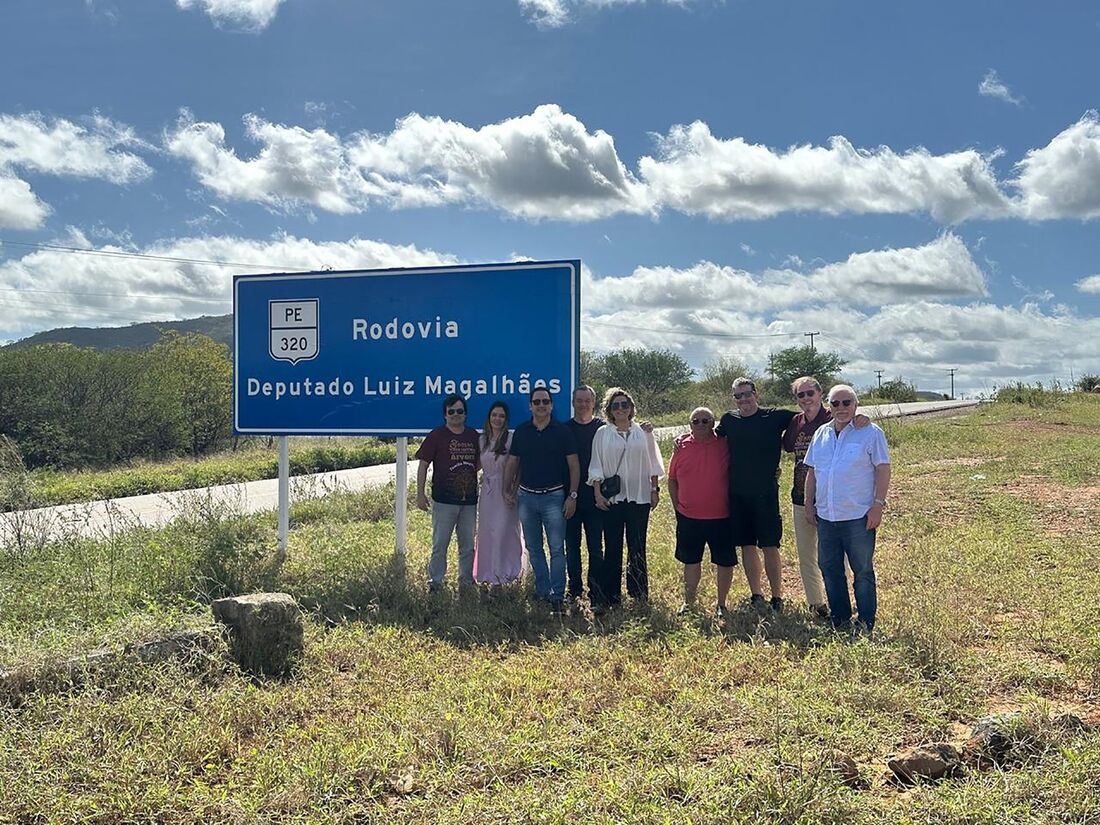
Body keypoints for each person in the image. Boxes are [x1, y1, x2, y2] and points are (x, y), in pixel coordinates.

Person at [804, 385, 891, 635]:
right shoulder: (821, 434)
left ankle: (865, 622)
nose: (841, 408)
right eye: (836, 403)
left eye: (846, 402)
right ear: (828, 406)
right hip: (827, 517)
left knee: (862, 571)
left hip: (858, 517)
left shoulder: (870, 433)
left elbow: (883, 469)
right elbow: (812, 472)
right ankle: (840, 619)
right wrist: (809, 505)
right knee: (830, 569)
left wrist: (878, 505)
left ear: (856, 404)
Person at [715, 378, 797, 613]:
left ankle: (777, 597)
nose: (743, 400)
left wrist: (853, 417)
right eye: (738, 396)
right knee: (747, 546)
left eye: (747, 394)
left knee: (770, 545)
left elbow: (809, 418)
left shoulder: (775, 416)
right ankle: (756, 594)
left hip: (766, 494)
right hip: (738, 494)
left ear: (756, 394)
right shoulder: (729, 420)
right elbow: (710, 439)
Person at [503, 387, 580, 615]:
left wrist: (572, 495)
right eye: (537, 402)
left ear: (551, 405)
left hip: (554, 497)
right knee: (534, 548)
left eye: (545, 401)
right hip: (526, 497)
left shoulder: (562, 431)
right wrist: (507, 490)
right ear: (530, 406)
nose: (541, 405)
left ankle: (557, 595)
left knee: (557, 549)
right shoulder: (522, 431)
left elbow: (574, 465)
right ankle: (542, 590)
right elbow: (512, 463)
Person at [588, 388, 664, 607]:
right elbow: (596, 464)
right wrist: (597, 494)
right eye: (615, 405)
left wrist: (654, 490)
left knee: (637, 546)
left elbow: (653, 463)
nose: (620, 409)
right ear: (609, 410)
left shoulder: (644, 432)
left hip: (639, 498)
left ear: (631, 408)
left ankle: (639, 593)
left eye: (624, 405)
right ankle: (612, 596)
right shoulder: (603, 433)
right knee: (612, 547)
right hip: (613, 499)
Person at [667, 407, 736, 617]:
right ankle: (689, 603)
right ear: (689, 425)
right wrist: (677, 506)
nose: (700, 424)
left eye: (706, 421)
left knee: (724, 561)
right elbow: (672, 479)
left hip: (721, 516)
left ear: (713, 423)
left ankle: (721, 604)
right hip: (689, 517)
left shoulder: (725, 445)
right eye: (695, 421)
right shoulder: (681, 447)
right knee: (691, 561)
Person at [416, 393, 481, 592]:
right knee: (439, 545)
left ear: (465, 414)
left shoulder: (473, 436)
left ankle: (466, 583)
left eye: (459, 411)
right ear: (445, 415)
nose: (455, 415)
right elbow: (423, 465)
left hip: (469, 502)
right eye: (451, 411)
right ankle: (436, 583)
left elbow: (479, 462)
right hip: (443, 501)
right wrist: (420, 493)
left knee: (468, 546)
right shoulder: (437, 435)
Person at [781, 376, 832, 617]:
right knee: (806, 555)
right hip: (800, 496)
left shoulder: (833, 418)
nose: (806, 399)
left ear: (820, 394)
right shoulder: (796, 423)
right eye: (800, 395)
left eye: (810, 393)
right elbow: (788, 446)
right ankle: (816, 603)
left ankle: (837, 600)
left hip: (829, 498)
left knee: (831, 555)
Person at [473, 400, 524, 586]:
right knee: (487, 533)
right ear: (489, 417)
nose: (497, 419)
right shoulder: (482, 440)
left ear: (506, 419)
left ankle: (508, 573)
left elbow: (519, 468)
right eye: (494, 415)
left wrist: (513, 491)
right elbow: (476, 466)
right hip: (487, 492)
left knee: (504, 531)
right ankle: (487, 574)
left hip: (506, 492)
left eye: (501, 416)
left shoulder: (511, 439)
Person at [565, 385, 605, 605]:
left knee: (595, 547)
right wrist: (568, 495)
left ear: (593, 402)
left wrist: (646, 431)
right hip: (571, 498)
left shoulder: (603, 428)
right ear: (573, 403)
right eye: (579, 400)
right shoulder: (565, 429)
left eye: (587, 400)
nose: (583, 404)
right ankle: (574, 589)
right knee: (571, 546)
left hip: (596, 499)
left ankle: (596, 590)